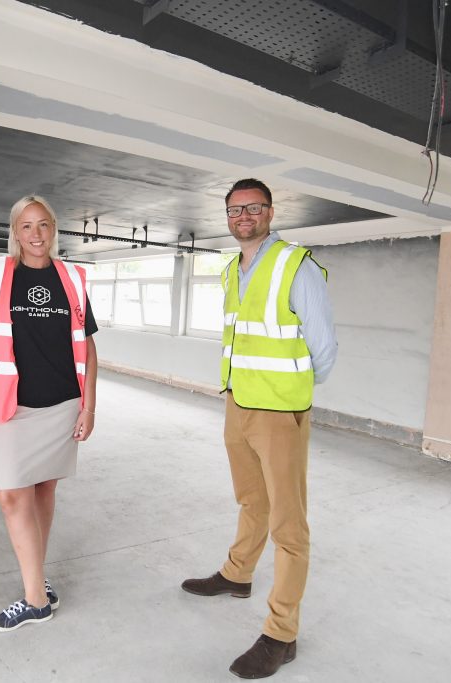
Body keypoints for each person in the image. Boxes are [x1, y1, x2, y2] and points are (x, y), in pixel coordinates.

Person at [181, 179, 337, 679]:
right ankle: (237, 574)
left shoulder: (296, 264)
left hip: (279, 412)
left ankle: (281, 633)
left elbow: (324, 348)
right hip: (238, 402)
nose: (243, 216)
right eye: (234, 209)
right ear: (226, 216)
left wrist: (293, 397)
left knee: (289, 526)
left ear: (270, 212)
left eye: (253, 208)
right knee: (252, 501)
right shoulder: (231, 271)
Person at [0, 197, 98, 632]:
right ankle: (36, 596)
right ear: (15, 231)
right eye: (26, 226)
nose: (36, 234)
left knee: (44, 490)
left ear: (53, 229)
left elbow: (89, 344)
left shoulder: (72, 278)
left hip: (63, 403)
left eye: (43, 224)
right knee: (12, 495)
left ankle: (36, 591)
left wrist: (89, 405)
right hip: (11, 405)